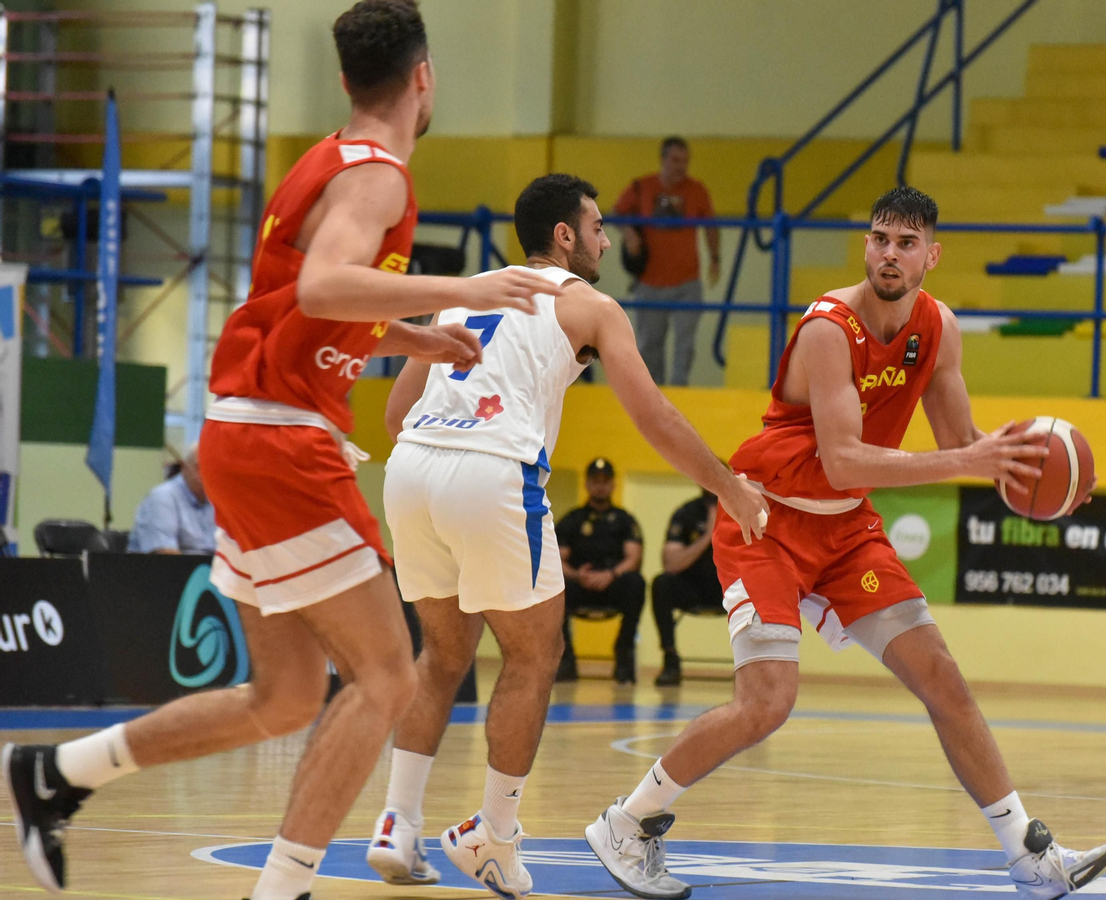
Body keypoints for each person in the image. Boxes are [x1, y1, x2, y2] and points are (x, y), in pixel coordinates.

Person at [3, 3, 570, 898]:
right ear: (423, 77)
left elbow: (299, 310)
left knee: (286, 698)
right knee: (387, 674)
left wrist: (417, 340)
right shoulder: (378, 176)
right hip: (278, 438)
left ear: (348, 79)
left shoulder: (323, 164)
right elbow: (324, 283)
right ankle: (284, 888)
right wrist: (468, 287)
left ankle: (60, 774)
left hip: (245, 427)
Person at [583, 187, 1106, 900]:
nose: (889, 254)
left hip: (844, 530)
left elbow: (963, 445)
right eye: (878, 239)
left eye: (904, 242)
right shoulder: (829, 327)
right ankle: (627, 821)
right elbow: (845, 459)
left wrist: (1034, 478)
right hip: (766, 520)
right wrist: (966, 461)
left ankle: (1029, 855)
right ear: (866, 247)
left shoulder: (939, 329)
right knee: (768, 700)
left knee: (943, 677)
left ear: (932, 254)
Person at [365, 172, 767, 896]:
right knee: (535, 653)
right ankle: (495, 835)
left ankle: (397, 820)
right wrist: (728, 486)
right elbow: (653, 417)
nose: (608, 239)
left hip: (412, 469)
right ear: (565, 236)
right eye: (599, 226)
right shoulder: (589, 304)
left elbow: (397, 413)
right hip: (491, 473)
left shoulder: (469, 288)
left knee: (442, 655)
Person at [613, 137, 718, 386]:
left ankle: (680, 392)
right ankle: (654, 395)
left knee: (685, 345)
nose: (681, 166)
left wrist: (715, 259)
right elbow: (617, 213)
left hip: (687, 282)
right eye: (675, 160)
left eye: (685, 161)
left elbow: (711, 227)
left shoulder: (696, 190)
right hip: (649, 281)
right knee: (649, 345)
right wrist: (629, 233)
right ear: (663, 160)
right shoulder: (642, 186)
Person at [554, 458, 647, 684]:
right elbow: (555, 558)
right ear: (587, 484)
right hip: (579, 584)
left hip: (612, 584)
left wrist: (610, 574)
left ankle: (623, 653)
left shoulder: (625, 521)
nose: (600, 486)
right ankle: (566, 658)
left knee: (636, 583)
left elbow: (633, 557)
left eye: (605, 481)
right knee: (556, 586)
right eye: (595, 481)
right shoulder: (572, 520)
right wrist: (577, 575)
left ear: (613, 484)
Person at [650, 488, 722, 687]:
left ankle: (754, 666)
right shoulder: (686, 512)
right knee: (662, 583)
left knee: (761, 587)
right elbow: (671, 564)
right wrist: (709, 534)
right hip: (693, 587)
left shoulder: (744, 511)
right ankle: (670, 659)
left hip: (727, 589)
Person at [128, 443, 215, 554]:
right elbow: (165, 554)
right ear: (184, 467)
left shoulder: (218, 500)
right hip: (169, 570)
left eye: (211, 468)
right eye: (199, 468)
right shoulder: (162, 498)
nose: (206, 474)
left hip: (211, 569)